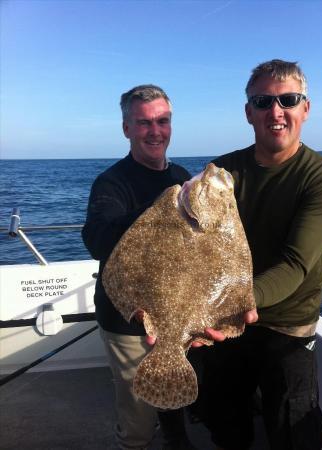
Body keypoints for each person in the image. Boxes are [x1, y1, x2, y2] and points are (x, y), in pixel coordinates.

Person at [198, 59, 322, 450]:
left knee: (292, 430)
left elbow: (296, 263)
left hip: (287, 323)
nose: (275, 111)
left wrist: (242, 300)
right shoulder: (221, 173)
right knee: (225, 420)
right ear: (249, 112)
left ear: (305, 109)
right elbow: (194, 248)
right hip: (226, 321)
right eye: (263, 101)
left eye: (287, 100)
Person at [82, 84, 194, 450]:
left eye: (162, 121)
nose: (155, 131)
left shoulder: (181, 177)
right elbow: (97, 239)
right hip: (127, 319)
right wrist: (161, 209)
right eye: (143, 122)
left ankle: (176, 440)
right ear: (126, 128)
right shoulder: (111, 183)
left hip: (175, 312)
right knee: (137, 416)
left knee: (173, 387)